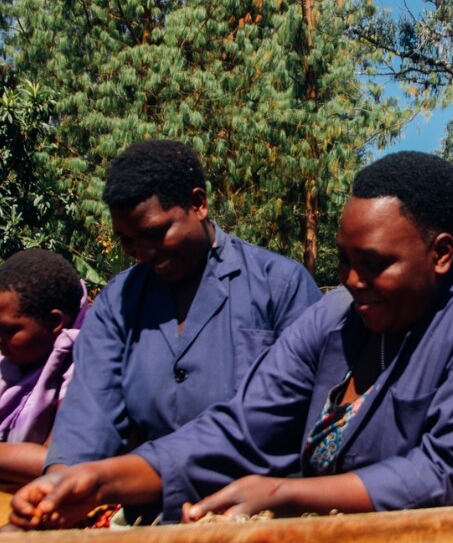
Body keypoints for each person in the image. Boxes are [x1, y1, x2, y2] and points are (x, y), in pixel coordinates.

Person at [11, 151, 453, 526]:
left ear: (440, 253)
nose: (351, 280)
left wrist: (284, 492)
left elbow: (452, 472)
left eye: (374, 264)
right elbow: (241, 428)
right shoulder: (336, 318)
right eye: (344, 260)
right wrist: (100, 479)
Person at [37, 139, 322, 502]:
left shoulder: (280, 285)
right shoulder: (116, 303)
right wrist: (60, 484)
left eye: (156, 234)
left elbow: (288, 416)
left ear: (198, 204)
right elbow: (90, 410)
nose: (143, 253)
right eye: (127, 241)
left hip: (257, 513)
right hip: (147, 511)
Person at [0, 249, 89, 489]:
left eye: (8, 330)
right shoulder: (9, 364)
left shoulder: (86, 369)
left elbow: (56, 463)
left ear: (54, 322)